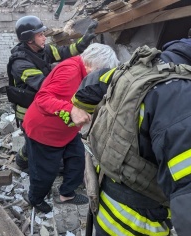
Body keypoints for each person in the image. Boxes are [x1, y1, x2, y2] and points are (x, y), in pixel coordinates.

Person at [75, 2, 191, 236]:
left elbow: (94, 82)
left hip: (103, 207)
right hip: (137, 227)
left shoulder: (141, 66)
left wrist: (78, 106)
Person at [22, 43, 120, 213]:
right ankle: (35, 199)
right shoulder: (70, 71)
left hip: (67, 129)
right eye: (101, 72)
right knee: (45, 171)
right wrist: (71, 110)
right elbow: (42, 98)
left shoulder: (84, 72)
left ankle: (66, 194)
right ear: (91, 64)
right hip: (44, 130)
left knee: (77, 160)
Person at [7, 15, 98, 170]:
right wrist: (70, 79)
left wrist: (83, 43)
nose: (44, 37)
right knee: (36, 142)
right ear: (29, 39)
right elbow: (44, 85)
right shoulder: (20, 63)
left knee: (43, 140)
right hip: (28, 112)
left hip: (44, 105)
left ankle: (27, 157)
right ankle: (25, 162)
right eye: (40, 35)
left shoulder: (43, 49)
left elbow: (65, 52)